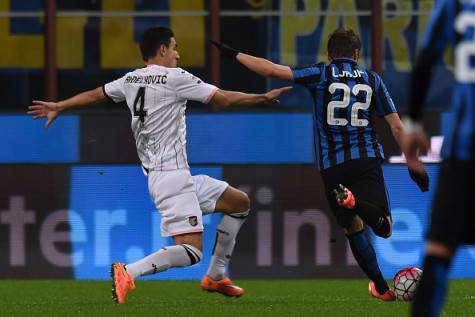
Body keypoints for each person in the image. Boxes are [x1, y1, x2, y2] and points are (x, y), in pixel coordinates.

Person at [27, 26, 291, 304]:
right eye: (174, 47)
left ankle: (216, 275)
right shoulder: (175, 77)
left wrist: (60, 105)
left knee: (239, 203)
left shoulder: (130, 79)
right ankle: (128, 271)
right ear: (163, 49)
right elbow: (222, 99)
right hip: (172, 177)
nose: (178, 55)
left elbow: (95, 94)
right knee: (192, 252)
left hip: (171, 176)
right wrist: (262, 98)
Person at [211, 27, 429, 301]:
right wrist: (412, 162)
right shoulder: (372, 79)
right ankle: (356, 203)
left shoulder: (320, 73)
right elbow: (396, 126)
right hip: (366, 160)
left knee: (352, 228)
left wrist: (233, 54)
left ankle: (381, 288)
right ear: (357, 54)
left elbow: (270, 70)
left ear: (329, 53)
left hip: (332, 166)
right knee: (383, 227)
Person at [402, 1, 475, 316]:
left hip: (466, 148)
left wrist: (414, 124)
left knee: (440, 249)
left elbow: (426, 60)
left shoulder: (455, 4)